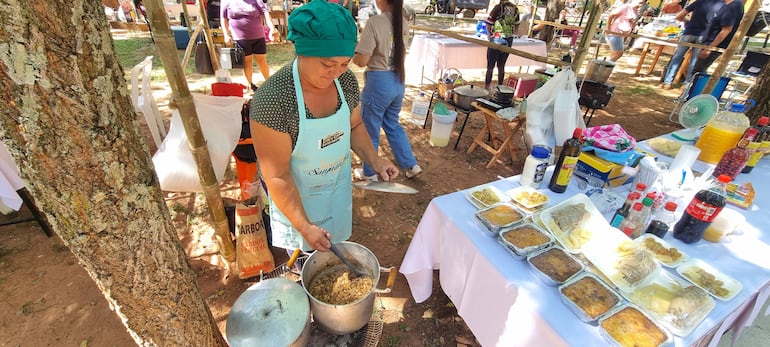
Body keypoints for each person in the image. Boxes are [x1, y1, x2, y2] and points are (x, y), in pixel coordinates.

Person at [249, 0, 399, 253]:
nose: (336, 73)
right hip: (296, 198)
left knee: (335, 242)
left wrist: (375, 160)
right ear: (302, 52)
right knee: (303, 258)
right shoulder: (273, 100)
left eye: (344, 64)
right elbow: (277, 175)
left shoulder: (347, 82)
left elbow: (354, 126)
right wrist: (305, 226)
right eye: (328, 65)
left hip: (334, 189)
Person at [352, 0, 422, 181]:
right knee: (393, 125)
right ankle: (410, 165)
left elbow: (362, 61)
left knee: (369, 129)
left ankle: (369, 173)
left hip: (379, 82)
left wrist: (355, 52)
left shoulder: (375, 22)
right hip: (398, 80)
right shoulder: (404, 22)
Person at [661, 0, 724, 89]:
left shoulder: (699, 2)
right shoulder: (722, 5)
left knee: (677, 58)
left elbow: (679, 16)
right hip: (703, 36)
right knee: (694, 62)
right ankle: (687, 84)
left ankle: (667, 82)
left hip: (689, 32)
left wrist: (688, 21)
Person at [221, 0, 274, 91]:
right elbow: (223, 19)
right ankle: (249, 85)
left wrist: (272, 29)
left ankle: (269, 84)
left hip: (258, 35)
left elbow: (266, 13)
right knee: (247, 62)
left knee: (262, 61)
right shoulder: (226, 1)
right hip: (240, 37)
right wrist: (226, 34)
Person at [692, 0, 744, 76]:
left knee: (698, 70)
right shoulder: (725, 5)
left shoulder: (734, 6)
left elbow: (726, 30)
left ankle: (697, 87)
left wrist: (709, 48)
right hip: (708, 41)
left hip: (715, 44)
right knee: (699, 69)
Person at [484, 0, 520, 90]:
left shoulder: (498, 7)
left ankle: (486, 88)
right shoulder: (515, 9)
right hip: (508, 40)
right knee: (501, 66)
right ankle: (500, 87)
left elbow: (489, 23)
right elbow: (517, 25)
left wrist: (489, 35)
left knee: (490, 66)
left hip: (497, 38)